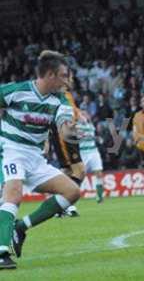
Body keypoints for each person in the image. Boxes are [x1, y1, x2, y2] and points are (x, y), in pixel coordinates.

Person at [0, 50, 81, 269]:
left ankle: (20, 227)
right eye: (64, 75)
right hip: (10, 150)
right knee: (13, 195)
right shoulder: (16, 91)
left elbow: (64, 127)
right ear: (50, 75)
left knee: (72, 192)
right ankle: (1, 252)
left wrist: (70, 132)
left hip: (35, 158)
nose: (67, 81)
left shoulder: (60, 101)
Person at [49, 71, 85, 217]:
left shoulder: (67, 95)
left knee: (68, 171)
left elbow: (72, 114)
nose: (70, 80)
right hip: (63, 136)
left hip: (70, 135)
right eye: (67, 78)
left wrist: (77, 124)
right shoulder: (57, 96)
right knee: (79, 170)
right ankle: (65, 204)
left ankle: (59, 205)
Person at [77, 111, 104, 203]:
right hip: (83, 153)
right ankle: (73, 195)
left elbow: (92, 136)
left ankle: (99, 197)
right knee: (80, 176)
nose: (84, 116)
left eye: (86, 114)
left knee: (99, 173)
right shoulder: (77, 126)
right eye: (82, 114)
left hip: (94, 152)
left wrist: (98, 138)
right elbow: (79, 137)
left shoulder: (91, 125)